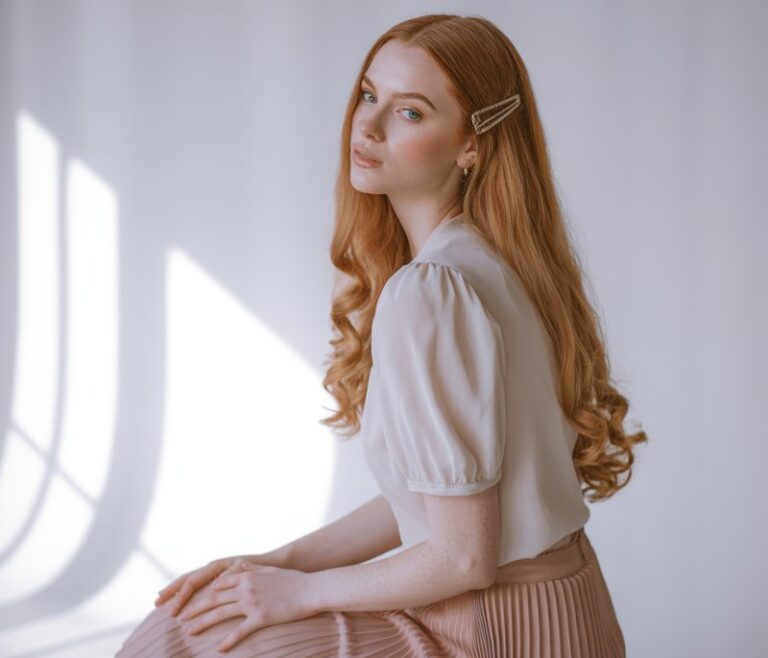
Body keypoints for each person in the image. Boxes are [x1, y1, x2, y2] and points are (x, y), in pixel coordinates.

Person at [116, 12, 647, 657]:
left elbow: (461, 560)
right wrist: (279, 562)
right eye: (370, 95)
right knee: (188, 627)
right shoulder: (501, 264)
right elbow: (439, 505)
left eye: (411, 112)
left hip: (491, 629)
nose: (366, 126)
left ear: (472, 144)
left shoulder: (430, 291)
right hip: (561, 612)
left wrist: (298, 594)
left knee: (180, 642)